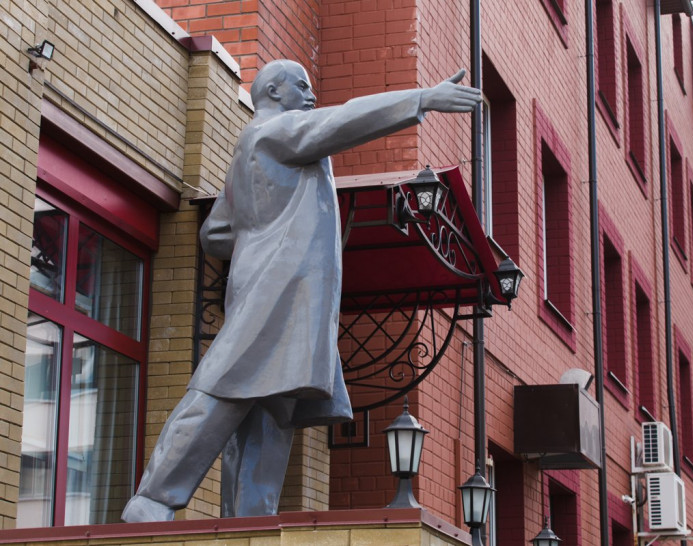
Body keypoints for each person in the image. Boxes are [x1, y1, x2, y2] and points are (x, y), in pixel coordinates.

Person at [121, 59, 481, 522]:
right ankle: (153, 500)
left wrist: (265, 227)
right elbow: (344, 120)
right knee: (221, 389)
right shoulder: (276, 131)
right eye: (302, 86)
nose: (312, 96)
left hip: (284, 294)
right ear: (273, 91)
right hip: (277, 289)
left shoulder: (252, 151)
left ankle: (249, 522)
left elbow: (216, 233)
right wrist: (422, 98)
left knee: (270, 408)